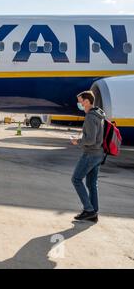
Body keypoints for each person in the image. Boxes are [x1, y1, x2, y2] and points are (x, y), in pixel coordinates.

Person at [70, 90, 106, 223]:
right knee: (91, 184)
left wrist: (77, 141)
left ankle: (89, 210)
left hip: (90, 154)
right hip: (98, 153)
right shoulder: (97, 114)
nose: (78, 103)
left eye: (80, 101)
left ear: (86, 101)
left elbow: (90, 140)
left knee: (76, 179)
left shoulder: (91, 117)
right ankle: (93, 211)